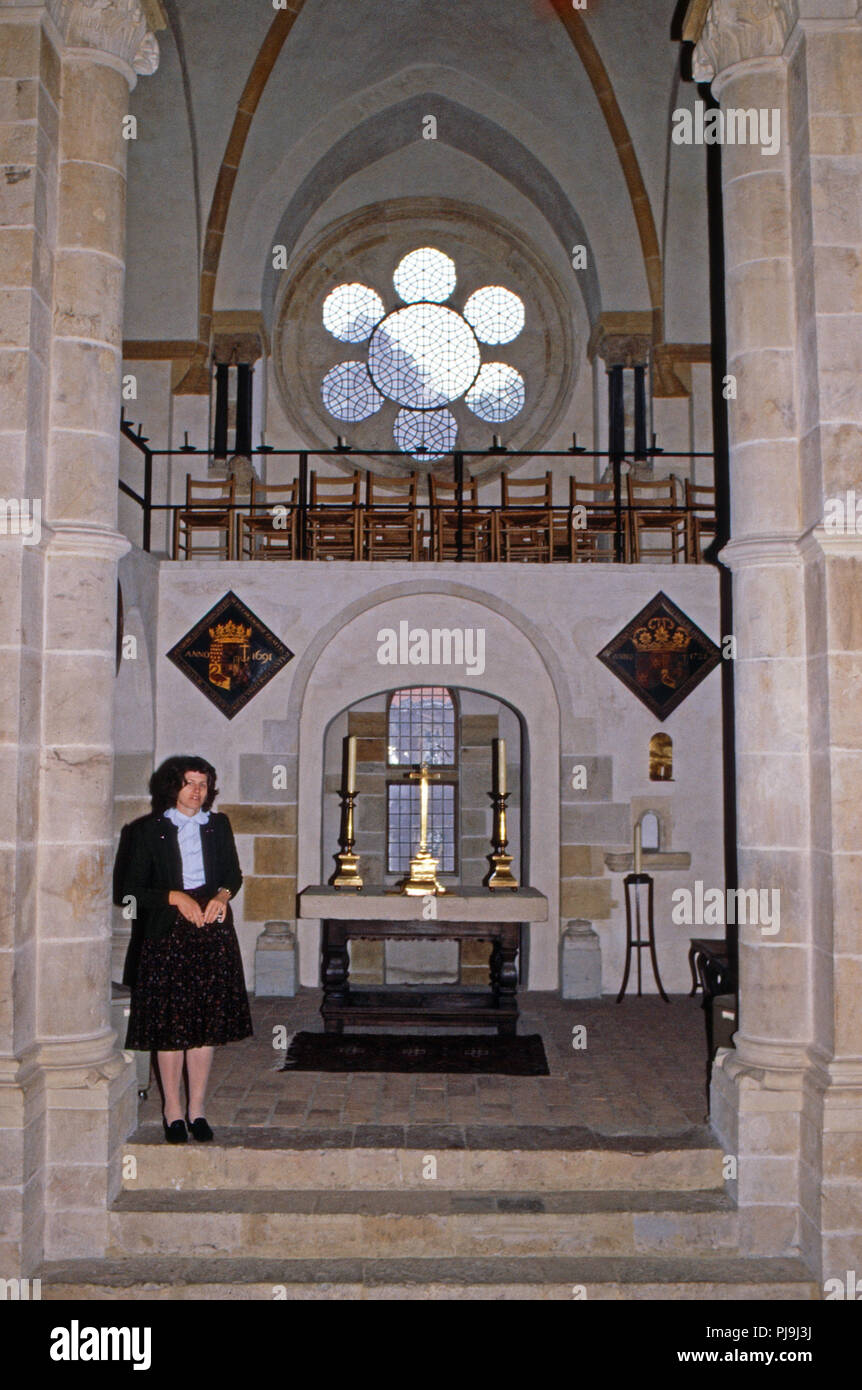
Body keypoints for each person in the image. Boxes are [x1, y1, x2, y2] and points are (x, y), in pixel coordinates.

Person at [121, 756, 253, 1143]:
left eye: (203, 784)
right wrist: (175, 897)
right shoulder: (145, 831)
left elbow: (233, 873)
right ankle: (172, 1111)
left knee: (203, 1027)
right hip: (167, 934)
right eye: (189, 783)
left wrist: (224, 895)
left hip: (211, 933)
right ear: (172, 787)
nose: (197, 791)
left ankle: (197, 1109)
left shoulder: (219, 825)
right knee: (171, 1028)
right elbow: (129, 892)